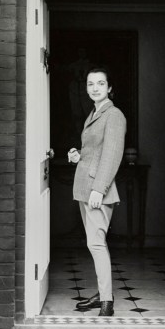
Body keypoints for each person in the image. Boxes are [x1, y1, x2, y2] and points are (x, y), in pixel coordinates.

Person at [67, 67, 127, 316]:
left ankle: (106, 303)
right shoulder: (94, 113)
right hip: (86, 187)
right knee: (95, 243)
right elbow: (97, 153)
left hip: (96, 190)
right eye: (90, 83)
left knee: (96, 244)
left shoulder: (114, 115)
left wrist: (98, 190)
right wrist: (79, 156)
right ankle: (103, 295)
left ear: (110, 87)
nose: (95, 88)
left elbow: (112, 157)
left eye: (100, 83)